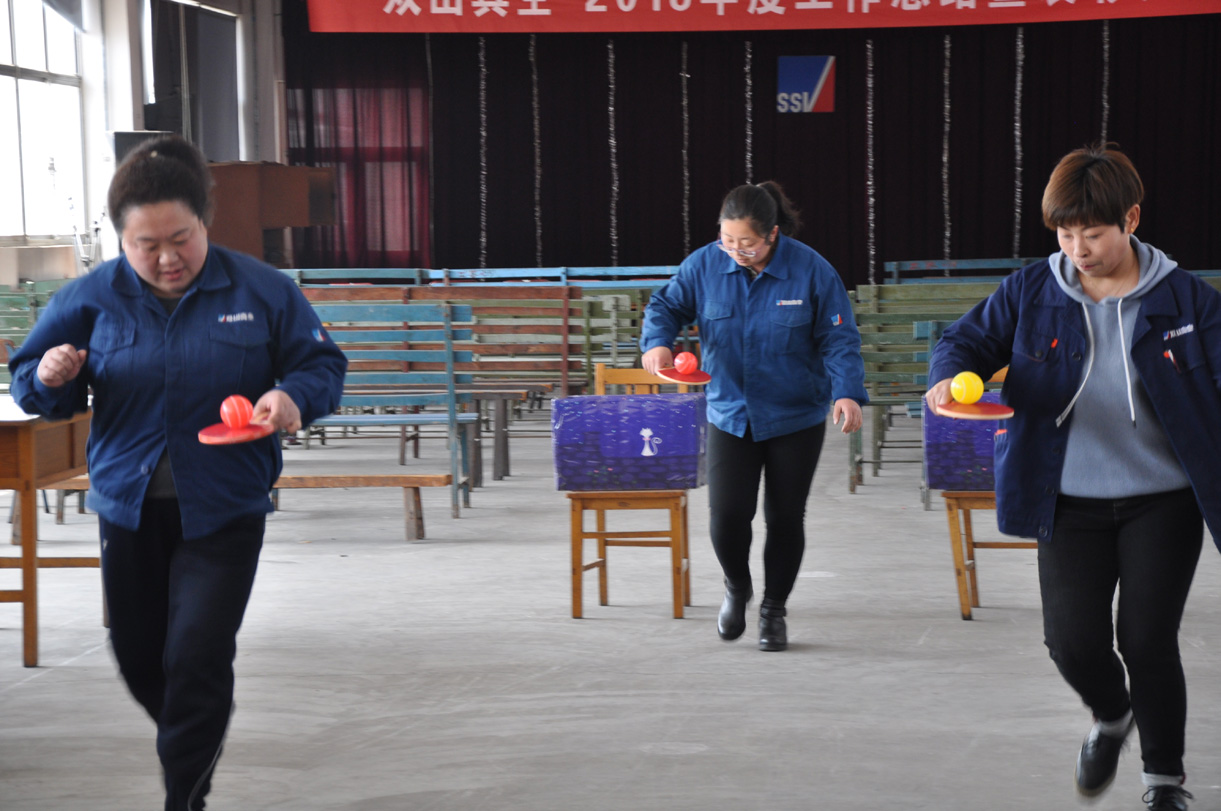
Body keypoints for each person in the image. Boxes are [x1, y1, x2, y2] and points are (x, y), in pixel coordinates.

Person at [8, 135, 347, 810]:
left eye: (181, 238)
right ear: (121, 240)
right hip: (127, 508)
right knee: (139, 655)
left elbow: (321, 366)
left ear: (204, 222)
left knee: (196, 653)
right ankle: (197, 723)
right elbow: (30, 383)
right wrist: (48, 374)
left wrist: (292, 397)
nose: (167, 258)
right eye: (147, 244)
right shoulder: (89, 298)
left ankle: (183, 796)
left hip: (224, 506)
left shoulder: (261, 290)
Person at [925, 144, 1221, 811]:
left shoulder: (1186, 300)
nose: (1078, 249)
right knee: (1071, 642)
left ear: (1130, 219)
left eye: (1092, 233)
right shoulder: (1032, 290)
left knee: (1146, 639)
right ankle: (1112, 716)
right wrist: (948, 377)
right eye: (1064, 234)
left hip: (1162, 499)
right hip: (1065, 497)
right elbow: (964, 342)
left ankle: (1163, 780)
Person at [640, 181, 867, 652]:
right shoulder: (704, 265)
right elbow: (665, 304)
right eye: (728, 240)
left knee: (785, 518)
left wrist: (847, 392)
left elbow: (839, 338)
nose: (736, 251)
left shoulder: (811, 270)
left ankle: (773, 611)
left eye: (747, 243)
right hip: (730, 411)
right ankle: (736, 587)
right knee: (727, 516)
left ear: (772, 234)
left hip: (795, 415)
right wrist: (657, 342)